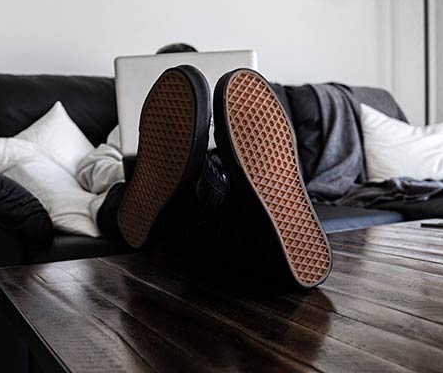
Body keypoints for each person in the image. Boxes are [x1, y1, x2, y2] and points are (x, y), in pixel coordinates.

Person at [77, 46, 332, 289]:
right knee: (129, 200)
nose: (178, 101)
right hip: (148, 194)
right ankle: (187, 178)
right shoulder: (130, 126)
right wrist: (146, 168)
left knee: (224, 191)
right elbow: (93, 167)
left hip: (209, 189)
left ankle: (209, 177)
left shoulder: (233, 118)